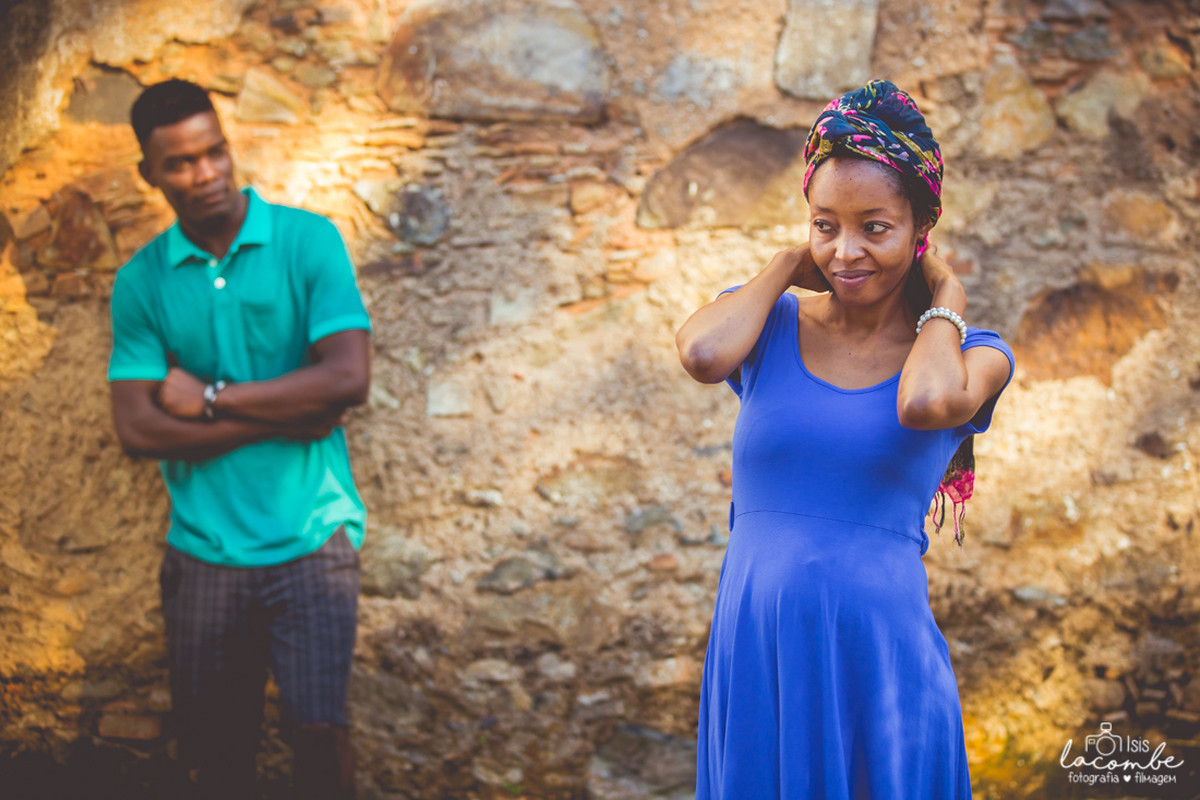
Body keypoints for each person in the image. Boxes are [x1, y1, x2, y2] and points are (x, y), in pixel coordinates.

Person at [676, 80, 1015, 799]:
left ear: (920, 226)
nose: (846, 250)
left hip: (878, 664)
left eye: (875, 227)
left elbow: (925, 403)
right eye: (824, 225)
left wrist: (945, 302)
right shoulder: (768, 329)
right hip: (758, 651)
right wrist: (782, 268)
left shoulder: (973, 355)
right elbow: (703, 356)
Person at [107, 79, 371, 800]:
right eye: (182, 162)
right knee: (214, 761)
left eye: (215, 151)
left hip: (312, 540)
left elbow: (347, 380)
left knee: (321, 747)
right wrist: (288, 412)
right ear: (149, 174)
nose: (207, 174)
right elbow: (136, 427)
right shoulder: (141, 284)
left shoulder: (306, 241)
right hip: (203, 553)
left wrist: (209, 400)